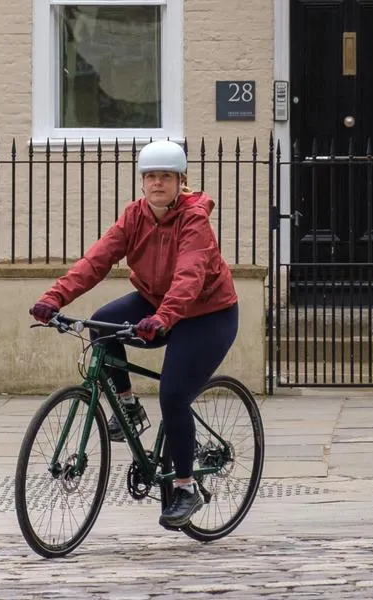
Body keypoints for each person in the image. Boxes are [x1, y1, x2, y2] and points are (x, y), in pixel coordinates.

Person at [29, 140, 239, 528]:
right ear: (142, 182)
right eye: (150, 176)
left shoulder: (194, 220)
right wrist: (52, 299)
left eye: (165, 176)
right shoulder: (134, 216)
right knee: (99, 326)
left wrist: (164, 317)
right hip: (155, 302)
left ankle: (186, 486)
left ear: (181, 181)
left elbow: (190, 276)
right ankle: (127, 406)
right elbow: (96, 261)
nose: (157, 183)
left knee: (174, 394)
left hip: (207, 314)